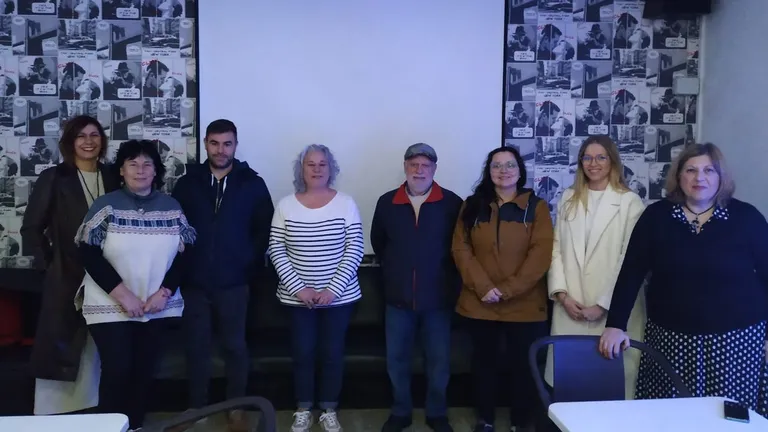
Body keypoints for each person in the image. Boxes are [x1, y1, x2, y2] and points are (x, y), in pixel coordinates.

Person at [599, 143, 768, 418]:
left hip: (737, 340)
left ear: (721, 177)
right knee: (672, 415)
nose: (699, 178)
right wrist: (615, 325)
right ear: (678, 177)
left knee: (730, 418)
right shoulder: (656, 217)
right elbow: (632, 271)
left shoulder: (747, 218)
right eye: (690, 170)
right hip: (671, 338)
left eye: (708, 170)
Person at [74, 139, 196, 430]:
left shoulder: (172, 207)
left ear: (156, 172)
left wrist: (164, 293)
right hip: (110, 306)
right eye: (132, 164)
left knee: (144, 372)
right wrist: (123, 295)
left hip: (156, 305)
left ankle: (136, 425)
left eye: (147, 164)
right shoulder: (106, 206)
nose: (140, 170)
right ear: (121, 171)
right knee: (118, 370)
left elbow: (187, 253)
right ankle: (109, 427)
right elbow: (87, 252)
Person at [170, 119, 274, 432]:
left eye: (227, 143)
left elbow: (263, 230)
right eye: (214, 143)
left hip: (234, 283)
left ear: (235, 145)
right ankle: (196, 407)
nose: (221, 150)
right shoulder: (188, 183)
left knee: (235, 347)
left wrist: (246, 264)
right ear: (205, 144)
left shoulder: (252, 183)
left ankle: (237, 408)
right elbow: (175, 227)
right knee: (196, 347)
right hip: (195, 284)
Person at [20, 115, 119, 416]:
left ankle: (94, 414)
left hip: (109, 276)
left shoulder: (114, 175)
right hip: (67, 275)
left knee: (97, 349)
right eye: (80, 136)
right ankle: (53, 417)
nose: (88, 141)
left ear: (102, 140)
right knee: (62, 346)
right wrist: (49, 266)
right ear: (70, 142)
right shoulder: (55, 177)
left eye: (94, 135)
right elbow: (31, 229)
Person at [452, 146, 554, 432]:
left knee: (523, 369)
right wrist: (484, 287)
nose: (503, 171)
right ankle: (485, 420)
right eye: (496, 165)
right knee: (484, 367)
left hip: (524, 307)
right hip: (480, 303)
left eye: (510, 165)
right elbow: (461, 248)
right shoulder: (472, 205)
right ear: (489, 171)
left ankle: (521, 423)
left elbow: (541, 255)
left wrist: (506, 290)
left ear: (520, 171)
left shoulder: (537, 206)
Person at [269, 144, 364, 432]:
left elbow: (355, 247)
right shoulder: (285, 205)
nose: (317, 169)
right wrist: (300, 290)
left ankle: (329, 409)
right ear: (302, 169)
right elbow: (276, 248)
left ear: (331, 168)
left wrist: (332, 290)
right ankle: (303, 408)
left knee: (332, 353)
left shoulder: (346, 203)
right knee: (303, 353)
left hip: (339, 298)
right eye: (311, 164)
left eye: (323, 164)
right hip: (298, 300)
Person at [371, 143, 463, 432]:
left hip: (438, 300)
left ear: (435, 169)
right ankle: (401, 412)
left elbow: (460, 248)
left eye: (425, 165)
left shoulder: (452, 203)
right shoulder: (387, 202)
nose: (419, 170)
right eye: (413, 164)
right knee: (397, 361)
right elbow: (379, 243)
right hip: (398, 300)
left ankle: (437, 413)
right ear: (405, 167)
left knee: (438, 363)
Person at [547, 136, 646, 399]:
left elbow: (630, 260)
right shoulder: (568, 198)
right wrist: (562, 295)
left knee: (610, 389)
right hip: (571, 307)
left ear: (612, 161)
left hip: (611, 312)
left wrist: (603, 305)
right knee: (571, 388)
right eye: (587, 157)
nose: (593, 163)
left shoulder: (630, 202)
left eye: (600, 157)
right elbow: (555, 248)